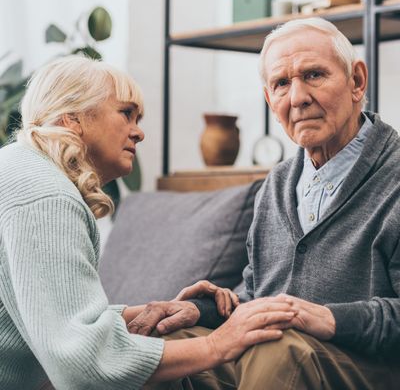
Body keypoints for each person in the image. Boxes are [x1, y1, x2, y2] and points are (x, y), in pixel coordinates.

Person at [0, 55, 299, 390]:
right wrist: (217, 344)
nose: (139, 132)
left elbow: (53, 320)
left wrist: (154, 310)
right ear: (72, 119)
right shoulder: (46, 197)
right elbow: (83, 363)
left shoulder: (19, 170)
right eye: (126, 113)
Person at [136, 17, 400, 389]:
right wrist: (203, 309)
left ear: (357, 81)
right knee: (162, 350)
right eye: (281, 84)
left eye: (314, 75)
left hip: (366, 368)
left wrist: (328, 318)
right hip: (274, 359)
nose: (297, 98)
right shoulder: (276, 184)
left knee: (279, 351)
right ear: (269, 99)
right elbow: (259, 296)